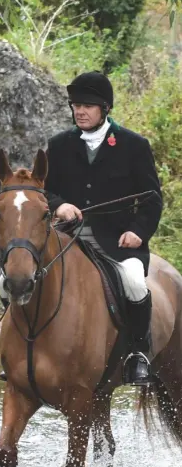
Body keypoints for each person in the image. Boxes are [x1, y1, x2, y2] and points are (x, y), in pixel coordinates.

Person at [44, 71, 163, 386]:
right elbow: (42, 188)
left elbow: (152, 199)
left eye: (87, 105)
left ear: (105, 108)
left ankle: (138, 354)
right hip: (64, 237)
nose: (79, 111)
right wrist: (58, 205)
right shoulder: (58, 145)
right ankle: (20, 351)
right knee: (13, 277)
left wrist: (138, 230)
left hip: (117, 242)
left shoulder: (134, 145)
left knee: (136, 283)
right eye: (75, 105)